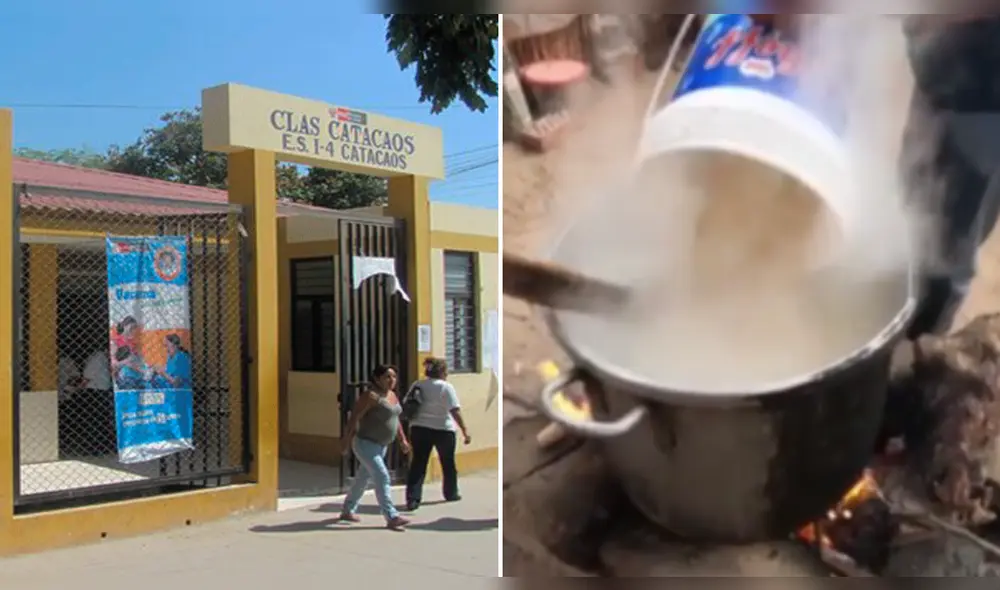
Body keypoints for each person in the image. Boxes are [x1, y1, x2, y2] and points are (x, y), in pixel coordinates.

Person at [339, 364, 412, 530]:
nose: (391, 380)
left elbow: (395, 419)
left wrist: (402, 440)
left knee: (362, 479)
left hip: (382, 445)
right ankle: (391, 516)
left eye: (393, 376)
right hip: (365, 444)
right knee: (382, 476)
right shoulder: (370, 396)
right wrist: (345, 440)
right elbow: (354, 418)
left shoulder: (392, 395)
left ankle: (348, 510)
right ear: (377, 379)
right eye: (387, 376)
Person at [404, 357, 472, 512]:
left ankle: (413, 499)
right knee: (448, 463)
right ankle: (451, 493)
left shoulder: (418, 384)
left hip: (420, 428)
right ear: (442, 371)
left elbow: (407, 402)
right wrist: (465, 430)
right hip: (444, 430)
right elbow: (454, 410)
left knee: (418, 464)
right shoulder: (446, 387)